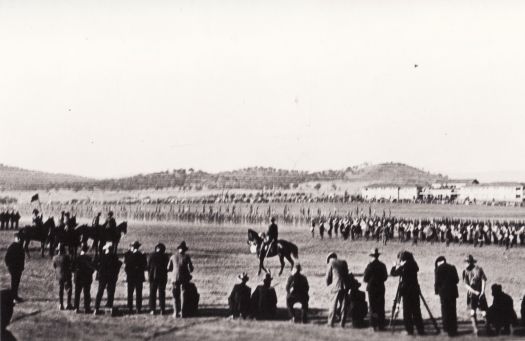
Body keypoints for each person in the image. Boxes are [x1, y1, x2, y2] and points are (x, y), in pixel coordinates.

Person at [390, 250, 425, 335]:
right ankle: (420, 329)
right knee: (416, 311)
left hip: (406, 292)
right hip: (415, 291)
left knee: (407, 312)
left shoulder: (405, 266)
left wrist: (395, 266)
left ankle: (409, 330)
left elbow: (393, 273)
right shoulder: (413, 264)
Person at [363, 248, 388, 331]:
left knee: (373, 306)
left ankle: (373, 325)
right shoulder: (382, 265)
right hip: (380, 287)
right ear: (378, 256)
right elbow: (385, 277)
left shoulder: (369, 266)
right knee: (381, 306)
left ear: (371, 256)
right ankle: (381, 325)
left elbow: (365, 278)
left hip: (372, 288)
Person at [462, 254, 487, 336]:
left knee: (484, 312)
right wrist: (474, 292)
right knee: (473, 312)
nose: (467, 263)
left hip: (480, 294)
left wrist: (482, 291)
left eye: (468, 262)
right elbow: (466, 285)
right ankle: (476, 330)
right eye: (466, 262)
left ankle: (488, 328)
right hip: (472, 295)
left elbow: (483, 280)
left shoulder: (479, 269)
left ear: (472, 262)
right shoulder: (465, 271)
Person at [94, 243, 122, 315]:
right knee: (110, 292)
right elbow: (118, 266)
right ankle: (109, 307)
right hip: (111, 277)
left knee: (100, 292)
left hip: (102, 276)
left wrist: (99, 270)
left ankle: (96, 308)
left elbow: (94, 265)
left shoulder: (101, 256)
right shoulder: (114, 257)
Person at [167, 241, 194, 318]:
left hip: (175, 278)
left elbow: (168, 268)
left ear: (178, 249)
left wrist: (174, 270)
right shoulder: (187, 257)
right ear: (185, 250)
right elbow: (190, 269)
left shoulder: (173, 257)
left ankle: (175, 312)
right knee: (183, 295)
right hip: (184, 278)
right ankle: (182, 312)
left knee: (175, 296)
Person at [434, 256, 459, 336]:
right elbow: (457, 280)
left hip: (443, 293)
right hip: (452, 293)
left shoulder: (438, 269)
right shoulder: (452, 267)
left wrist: (436, 291)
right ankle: (453, 329)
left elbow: (437, 282)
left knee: (445, 311)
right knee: (452, 311)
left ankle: (446, 328)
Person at [325, 252, 349, 327]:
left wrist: (329, 286)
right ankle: (342, 323)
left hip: (335, 286)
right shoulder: (344, 262)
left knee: (333, 305)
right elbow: (346, 274)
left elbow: (328, 278)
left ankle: (330, 323)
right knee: (343, 305)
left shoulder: (330, 263)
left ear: (329, 259)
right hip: (345, 286)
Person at [124, 241, 147, 314]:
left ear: (131, 246)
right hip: (139, 276)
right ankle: (138, 308)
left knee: (130, 293)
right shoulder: (141, 255)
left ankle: (130, 308)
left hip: (130, 276)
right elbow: (145, 266)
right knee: (138, 293)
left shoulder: (127, 254)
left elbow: (126, 266)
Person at [73, 245, 96, 313]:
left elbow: (72, 268)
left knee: (77, 293)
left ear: (81, 250)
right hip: (87, 278)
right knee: (86, 293)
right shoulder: (89, 258)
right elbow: (92, 269)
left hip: (78, 278)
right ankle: (87, 308)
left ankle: (76, 308)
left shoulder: (77, 258)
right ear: (86, 250)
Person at [148, 243, 169, 315]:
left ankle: (152, 309)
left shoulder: (151, 255)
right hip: (162, 277)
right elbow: (168, 267)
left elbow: (148, 266)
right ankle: (162, 309)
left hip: (153, 277)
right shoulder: (165, 256)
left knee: (152, 293)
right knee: (162, 293)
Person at [4, 233, 25, 302]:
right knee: (14, 283)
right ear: (17, 239)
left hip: (18, 268)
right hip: (14, 268)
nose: (22, 240)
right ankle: (13, 298)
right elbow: (7, 258)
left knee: (16, 283)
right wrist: (10, 266)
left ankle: (15, 296)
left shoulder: (18, 246)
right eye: (20, 239)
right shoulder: (13, 247)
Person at [52, 244, 73, 310]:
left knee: (60, 289)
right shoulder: (66, 257)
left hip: (59, 275)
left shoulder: (54, 257)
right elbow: (70, 265)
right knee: (69, 289)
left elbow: (54, 266)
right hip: (66, 275)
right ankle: (68, 304)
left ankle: (60, 304)